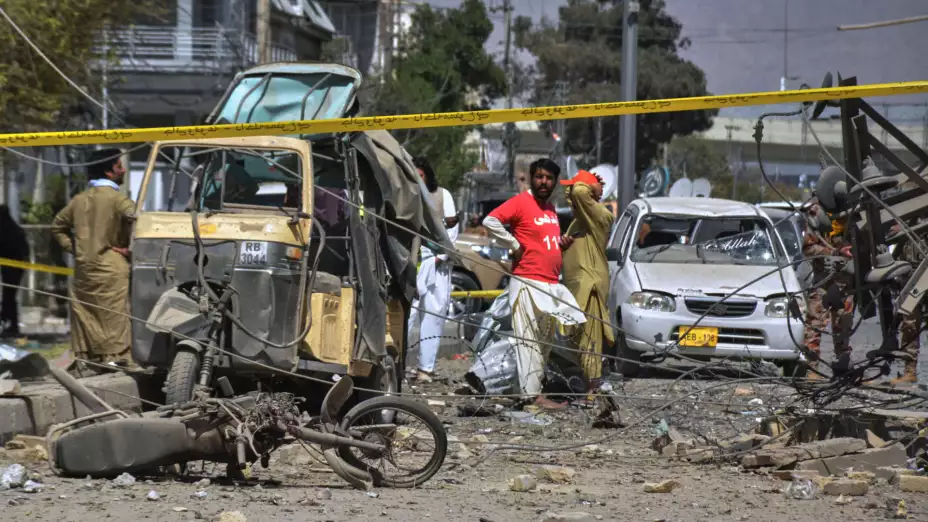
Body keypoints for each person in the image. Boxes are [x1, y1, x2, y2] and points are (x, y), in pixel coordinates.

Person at [482, 158, 587, 409]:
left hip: (549, 283)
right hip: (527, 282)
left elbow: (544, 241)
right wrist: (514, 245)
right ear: (531, 177)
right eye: (539, 176)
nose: (544, 182)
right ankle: (531, 397)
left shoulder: (550, 209)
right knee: (528, 341)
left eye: (549, 178)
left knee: (544, 341)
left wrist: (560, 245)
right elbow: (490, 221)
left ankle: (533, 391)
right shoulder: (521, 202)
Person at [52, 148, 136, 374]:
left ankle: (87, 360)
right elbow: (137, 220)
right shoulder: (119, 200)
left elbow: (57, 226)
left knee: (86, 312)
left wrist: (77, 249)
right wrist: (128, 250)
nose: (124, 169)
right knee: (114, 314)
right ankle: (114, 358)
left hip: (83, 268)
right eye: (120, 166)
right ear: (110, 172)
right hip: (111, 266)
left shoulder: (78, 200)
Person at [559, 170, 615, 394]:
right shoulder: (577, 223)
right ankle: (588, 383)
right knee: (578, 339)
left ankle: (594, 388)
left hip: (589, 286)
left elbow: (580, 192)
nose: (569, 195)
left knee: (590, 338)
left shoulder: (601, 216)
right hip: (576, 287)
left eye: (571, 190)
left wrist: (590, 185)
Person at [408, 157, 459, 383]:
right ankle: (396, 363)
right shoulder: (404, 196)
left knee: (433, 315)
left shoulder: (441, 195)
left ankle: (425, 369)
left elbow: (452, 227)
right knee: (407, 315)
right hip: (411, 261)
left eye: (421, 175)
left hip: (437, 262)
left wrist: (443, 256)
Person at [801, 201, 853, 378]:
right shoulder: (818, 213)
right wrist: (831, 252)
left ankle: (841, 370)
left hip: (845, 281)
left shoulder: (854, 210)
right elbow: (807, 248)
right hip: (823, 281)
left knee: (843, 326)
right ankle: (812, 369)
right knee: (814, 325)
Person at [891, 221, 922, 385]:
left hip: (923, 272)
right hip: (911, 276)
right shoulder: (908, 213)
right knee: (909, 324)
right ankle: (910, 372)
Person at [0, 205, 29, 337]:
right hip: (16, 268)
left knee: (9, 296)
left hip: (12, 269)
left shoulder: (8, 232)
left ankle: (11, 324)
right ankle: (9, 322)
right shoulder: (15, 230)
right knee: (9, 296)